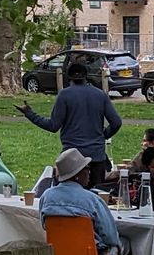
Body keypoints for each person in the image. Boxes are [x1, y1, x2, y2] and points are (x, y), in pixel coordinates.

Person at [18, 59, 122, 188]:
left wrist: (29, 113)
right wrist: (103, 135)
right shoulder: (100, 95)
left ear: (68, 76)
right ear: (87, 76)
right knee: (97, 199)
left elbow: (53, 126)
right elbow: (116, 122)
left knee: (68, 198)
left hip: (72, 159)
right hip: (96, 157)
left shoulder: (65, 95)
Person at [38, 147, 122, 255]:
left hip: (58, 254)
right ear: (77, 174)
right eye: (87, 168)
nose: (90, 171)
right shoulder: (92, 200)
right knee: (124, 244)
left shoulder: (46, 196)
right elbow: (110, 238)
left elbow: (44, 225)